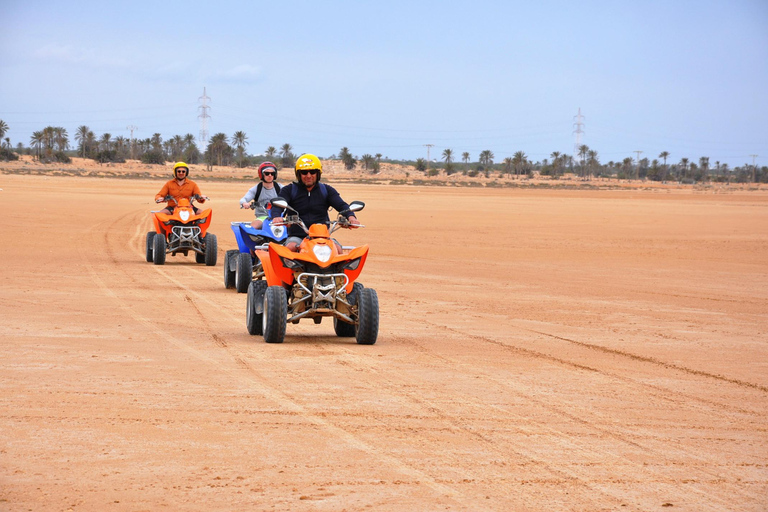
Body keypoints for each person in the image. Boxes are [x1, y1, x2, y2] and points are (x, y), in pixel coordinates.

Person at [272, 154, 360, 252]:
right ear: (298, 174)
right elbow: (278, 204)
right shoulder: (289, 190)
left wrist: (351, 217)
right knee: (290, 248)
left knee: (338, 250)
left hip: (323, 238)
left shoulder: (326, 190)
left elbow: (341, 205)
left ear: (318, 173)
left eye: (312, 172)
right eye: (304, 172)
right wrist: (276, 216)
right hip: (298, 237)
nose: (309, 176)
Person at [239, 161, 283, 229]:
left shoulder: (281, 188)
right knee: (252, 228)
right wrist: (245, 203)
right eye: (267, 173)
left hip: (278, 218)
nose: (270, 175)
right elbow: (243, 199)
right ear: (261, 174)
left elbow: (292, 196)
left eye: (272, 173)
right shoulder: (256, 189)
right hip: (262, 218)